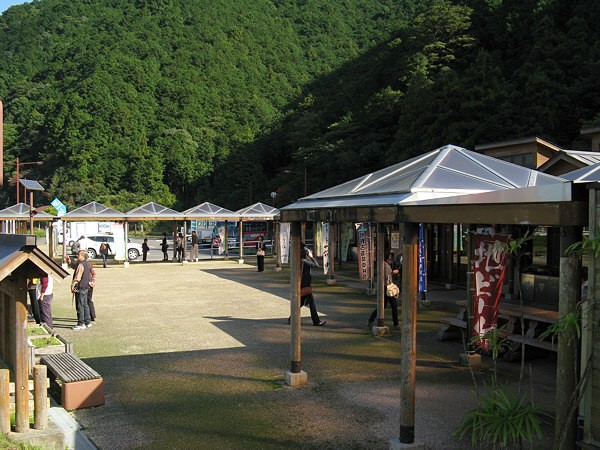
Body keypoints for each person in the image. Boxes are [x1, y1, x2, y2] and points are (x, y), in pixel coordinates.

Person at [288, 243, 326, 326]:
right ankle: (316, 321)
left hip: (304, 285)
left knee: (301, 304)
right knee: (311, 304)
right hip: (305, 286)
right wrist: (311, 256)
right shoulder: (304, 261)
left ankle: (291, 319)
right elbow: (316, 265)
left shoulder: (301, 260)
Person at [366, 251, 400, 329]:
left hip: (384, 287)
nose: (391, 257)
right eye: (390, 256)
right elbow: (385, 275)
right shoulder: (384, 264)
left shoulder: (383, 263)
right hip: (387, 287)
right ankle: (396, 324)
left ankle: (370, 320)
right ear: (388, 256)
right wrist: (393, 272)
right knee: (393, 306)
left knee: (382, 306)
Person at [66, 250, 93, 330]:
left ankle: (81, 323)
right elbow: (74, 265)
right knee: (85, 304)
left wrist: (73, 285)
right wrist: (69, 261)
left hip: (80, 287)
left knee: (80, 305)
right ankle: (87, 322)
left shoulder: (81, 265)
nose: (77, 256)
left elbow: (77, 277)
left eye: (79, 254)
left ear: (83, 256)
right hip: (86, 286)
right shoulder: (88, 264)